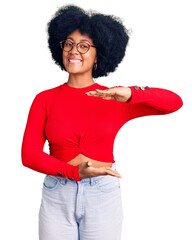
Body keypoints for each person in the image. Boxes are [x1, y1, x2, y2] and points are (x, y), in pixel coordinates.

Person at [21, 4, 183, 240]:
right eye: (69, 43)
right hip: (58, 192)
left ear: (100, 53)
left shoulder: (114, 97)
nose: (74, 51)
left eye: (84, 46)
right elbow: (29, 155)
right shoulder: (44, 99)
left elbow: (174, 102)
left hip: (102, 195)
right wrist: (73, 172)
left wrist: (130, 93)